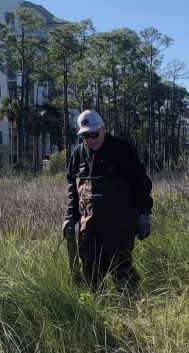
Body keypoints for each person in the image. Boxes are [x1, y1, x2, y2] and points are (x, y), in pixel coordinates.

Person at [63, 110, 153, 293]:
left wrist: (145, 213)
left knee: (122, 269)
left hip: (119, 225)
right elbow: (73, 189)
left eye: (94, 134)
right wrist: (70, 216)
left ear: (103, 129)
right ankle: (98, 309)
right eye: (85, 135)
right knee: (91, 271)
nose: (91, 139)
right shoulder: (78, 154)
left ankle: (130, 309)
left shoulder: (123, 150)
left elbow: (141, 184)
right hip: (88, 227)